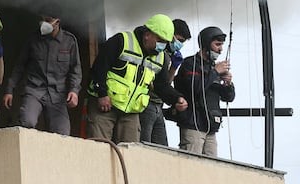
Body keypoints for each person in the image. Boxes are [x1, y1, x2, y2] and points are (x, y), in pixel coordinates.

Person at [86, 14, 188, 143]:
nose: (162, 45)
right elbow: (99, 68)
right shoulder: (122, 41)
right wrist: (102, 94)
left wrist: (176, 98)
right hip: (106, 106)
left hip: (131, 112)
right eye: (159, 40)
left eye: (165, 42)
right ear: (147, 34)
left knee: (130, 152)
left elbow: (161, 85)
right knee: (99, 147)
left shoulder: (160, 57)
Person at [1, 5, 81, 135]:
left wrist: (74, 91)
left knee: (62, 133)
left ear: (57, 22)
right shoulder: (33, 40)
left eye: (48, 20)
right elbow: (19, 66)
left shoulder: (69, 41)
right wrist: (9, 90)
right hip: (34, 90)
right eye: (42, 19)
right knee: (26, 122)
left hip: (57, 95)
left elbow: (75, 70)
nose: (43, 23)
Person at [174, 26, 235, 156]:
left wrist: (228, 83)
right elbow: (194, 88)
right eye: (217, 44)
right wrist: (214, 73)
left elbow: (228, 97)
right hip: (193, 126)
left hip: (211, 128)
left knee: (212, 168)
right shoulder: (190, 63)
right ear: (206, 44)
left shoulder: (214, 67)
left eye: (221, 45)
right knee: (190, 165)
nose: (220, 49)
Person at [140, 18, 192, 145]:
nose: (179, 44)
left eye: (182, 42)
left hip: (159, 104)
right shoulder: (155, 52)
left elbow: (165, 83)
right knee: (144, 143)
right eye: (178, 40)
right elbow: (154, 83)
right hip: (146, 103)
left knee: (161, 147)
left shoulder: (170, 55)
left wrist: (174, 68)